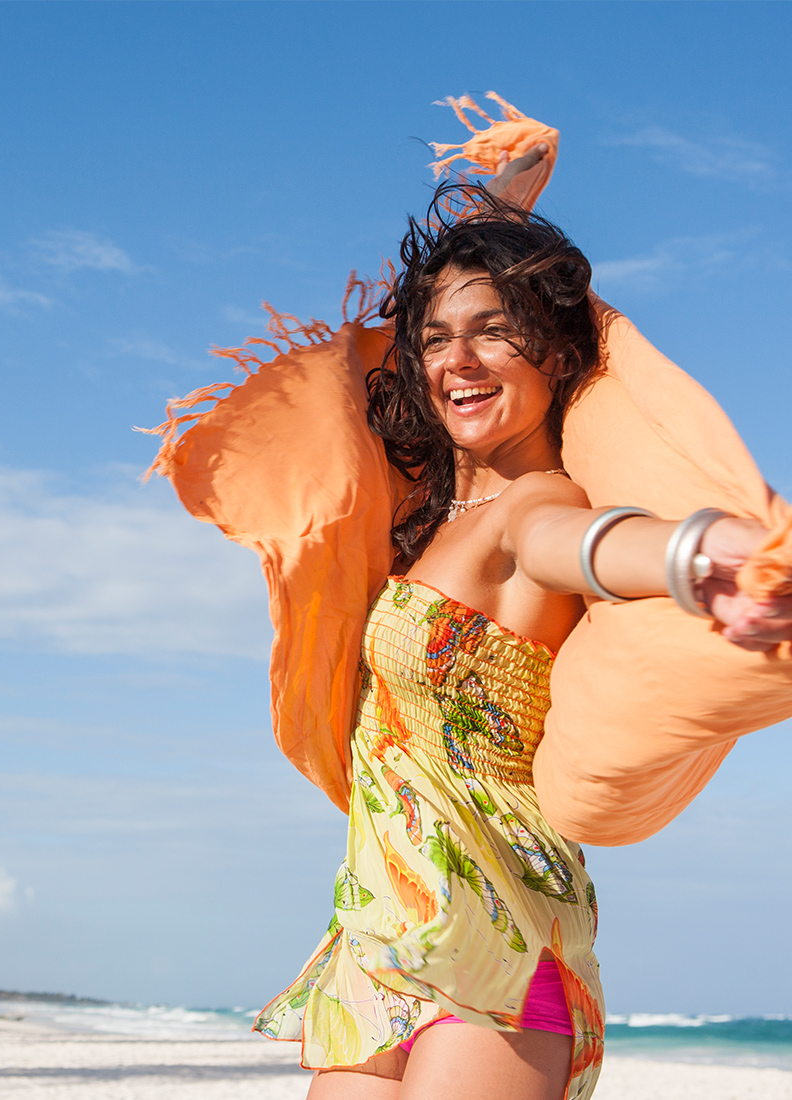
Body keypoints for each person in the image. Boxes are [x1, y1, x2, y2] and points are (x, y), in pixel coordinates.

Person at [250, 159, 792, 1100]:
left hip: (503, 943)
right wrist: (497, 213)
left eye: (496, 332)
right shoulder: (433, 511)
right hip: (384, 936)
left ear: (554, 350)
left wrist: (705, 556)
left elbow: (583, 545)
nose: (457, 361)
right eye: (437, 339)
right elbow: (387, 347)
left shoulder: (533, 507)